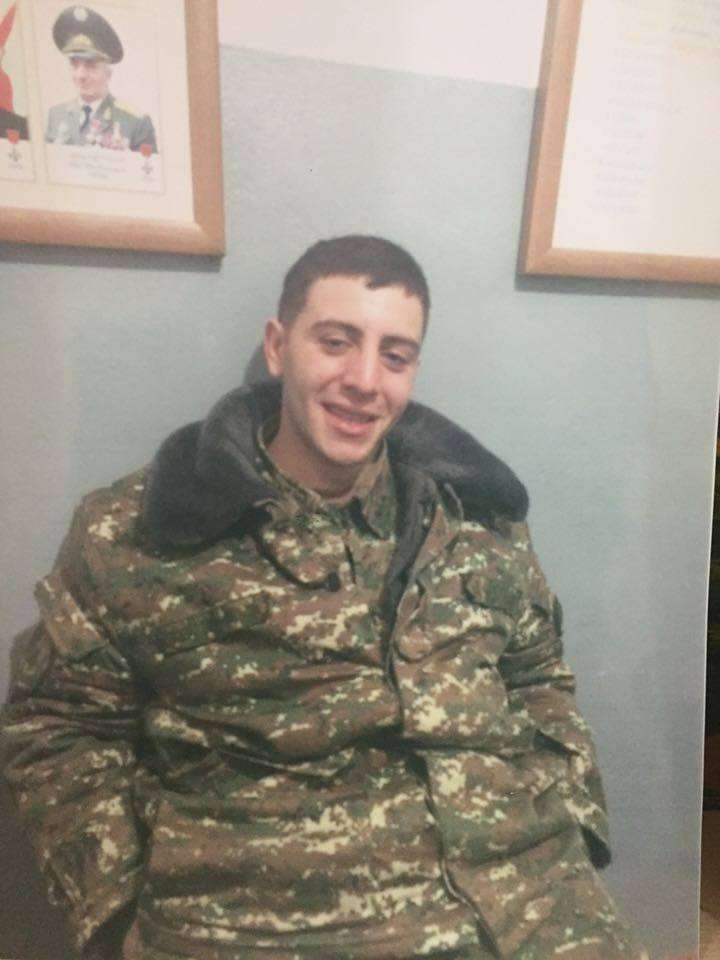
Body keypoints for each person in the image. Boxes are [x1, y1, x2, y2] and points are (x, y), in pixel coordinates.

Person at [0, 236, 646, 960]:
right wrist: (118, 912)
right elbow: (58, 727)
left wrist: (574, 824)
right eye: (336, 342)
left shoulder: (478, 519)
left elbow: (538, 677)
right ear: (279, 347)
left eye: (395, 355)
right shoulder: (137, 532)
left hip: (529, 903)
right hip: (266, 924)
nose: (365, 380)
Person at [45, 5, 156, 153]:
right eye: (74, 65)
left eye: (90, 66)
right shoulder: (56, 115)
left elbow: (147, 167)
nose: (80, 75)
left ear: (108, 73)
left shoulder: (136, 123)